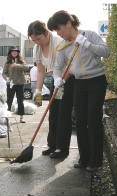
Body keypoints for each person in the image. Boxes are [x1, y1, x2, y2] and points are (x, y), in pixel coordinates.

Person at [47, 10, 110, 171]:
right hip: (79, 83)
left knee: (93, 119)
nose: (58, 34)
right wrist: (57, 78)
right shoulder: (63, 45)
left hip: (97, 81)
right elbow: (58, 67)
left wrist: (87, 44)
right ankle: (84, 159)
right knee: (80, 121)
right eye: (55, 31)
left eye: (58, 29)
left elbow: (106, 52)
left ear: (68, 23)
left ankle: (96, 161)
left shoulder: (89, 35)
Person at [27, 20, 74, 159]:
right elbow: (41, 71)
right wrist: (38, 91)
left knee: (63, 113)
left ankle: (62, 148)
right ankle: (52, 144)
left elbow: (70, 65)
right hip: (55, 78)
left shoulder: (60, 42)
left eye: (39, 38)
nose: (37, 42)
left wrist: (62, 81)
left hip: (69, 78)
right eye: (34, 40)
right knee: (53, 113)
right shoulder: (38, 49)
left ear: (46, 33)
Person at [2, 46, 29, 123]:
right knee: (9, 100)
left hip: (20, 83)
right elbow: (4, 73)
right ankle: (7, 117)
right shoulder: (7, 62)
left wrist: (18, 65)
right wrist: (7, 78)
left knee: (20, 100)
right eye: (13, 51)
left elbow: (26, 67)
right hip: (11, 84)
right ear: (10, 53)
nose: (15, 52)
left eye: (16, 51)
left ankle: (21, 117)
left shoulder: (21, 61)